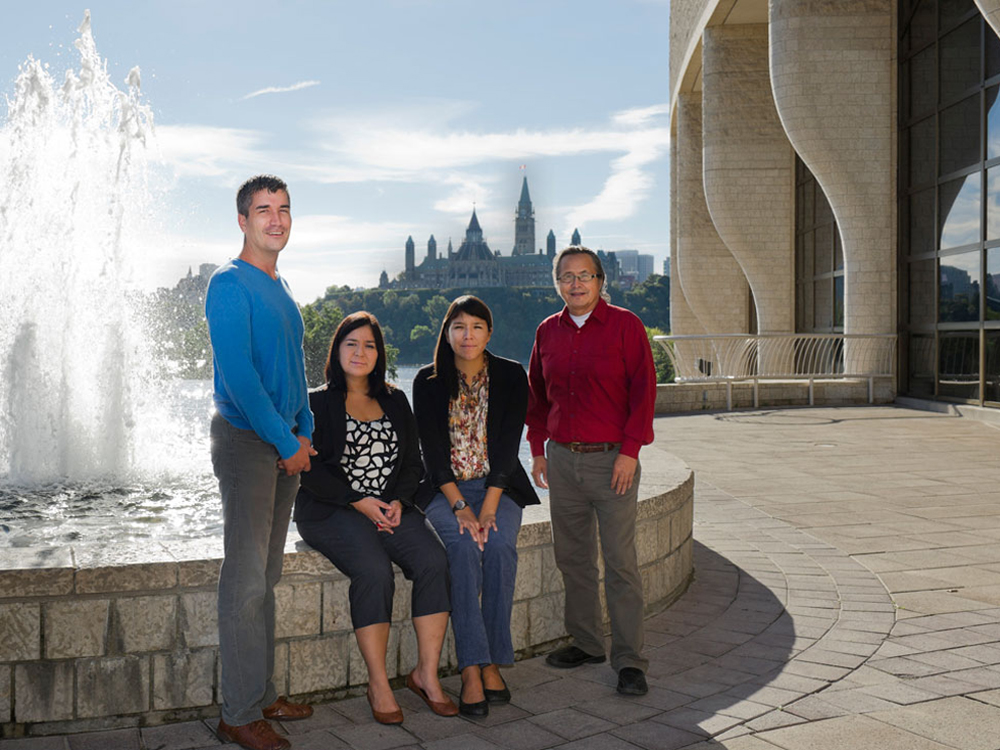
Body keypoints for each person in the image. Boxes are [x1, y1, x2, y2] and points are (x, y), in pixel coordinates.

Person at [294, 312, 456, 725]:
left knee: (434, 562)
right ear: (337, 350)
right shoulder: (315, 402)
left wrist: (400, 502)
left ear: (379, 354)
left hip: (389, 508)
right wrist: (358, 501)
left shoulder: (394, 399)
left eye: (369, 345)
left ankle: (426, 675)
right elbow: (312, 469)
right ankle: (379, 682)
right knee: (374, 570)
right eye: (351, 343)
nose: (360, 352)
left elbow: (412, 463)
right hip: (332, 511)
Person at [206, 175, 316, 750]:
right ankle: (239, 714)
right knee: (246, 581)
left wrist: (306, 430)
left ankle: (261, 692)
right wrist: (284, 440)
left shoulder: (281, 284)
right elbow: (243, 379)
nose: (276, 219)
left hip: (280, 445)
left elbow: (292, 371)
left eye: (284, 210)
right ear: (243, 221)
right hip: (248, 443)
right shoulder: (229, 283)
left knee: (265, 578)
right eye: (263, 210)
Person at [526, 246, 657, 697]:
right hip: (562, 460)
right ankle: (586, 642)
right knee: (574, 558)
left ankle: (629, 661)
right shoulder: (547, 332)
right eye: (567, 276)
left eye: (585, 275)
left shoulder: (626, 325)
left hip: (612, 461)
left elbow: (644, 390)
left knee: (620, 563)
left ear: (602, 281)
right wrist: (537, 450)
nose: (576, 284)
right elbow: (538, 397)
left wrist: (630, 451)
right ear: (557, 282)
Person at [413, 295, 540, 717]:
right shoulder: (427, 381)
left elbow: (507, 447)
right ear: (446, 332)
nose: (467, 336)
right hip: (443, 489)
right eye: (459, 327)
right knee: (465, 548)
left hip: (496, 487)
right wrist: (459, 507)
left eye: (477, 327)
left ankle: (491, 658)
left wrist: (487, 507)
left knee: (500, 546)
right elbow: (432, 452)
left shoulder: (510, 374)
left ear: (490, 332)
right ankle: (472, 667)